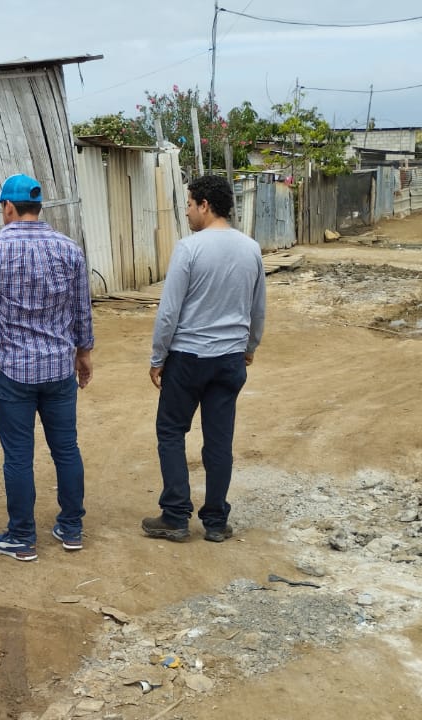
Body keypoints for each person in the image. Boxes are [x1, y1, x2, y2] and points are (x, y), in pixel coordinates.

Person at [0, 174, 94, 562]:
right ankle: (71, 528)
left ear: (8, 207)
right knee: (66, 449)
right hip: (58, 369)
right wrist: (84, 353)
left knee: (18, 456)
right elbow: (82, 310)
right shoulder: (70, 250)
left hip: (12, 372)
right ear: (38, 206)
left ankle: (21, 537)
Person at [142, 174, 266, 544]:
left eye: (189, 204)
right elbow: (258, 309)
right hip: (230, 359)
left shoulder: (189, 248)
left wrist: (157, 357)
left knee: (170, 431)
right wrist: (249, 347)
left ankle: (175, 516)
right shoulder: (251, 249)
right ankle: (215, 521)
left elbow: (169, 312)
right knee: (219, 440)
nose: (187, 211)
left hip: (188, 358)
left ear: (205, 205)